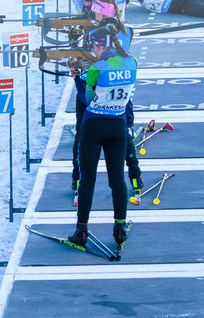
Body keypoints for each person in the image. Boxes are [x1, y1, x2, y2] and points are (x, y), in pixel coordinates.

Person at [68, 27, 137, 250]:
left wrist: (77, 77)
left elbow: (87, 99)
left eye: (93, 47)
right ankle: (119, 229)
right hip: (118, 125)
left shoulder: (97, 68)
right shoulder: (132, 62)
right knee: (117, 178)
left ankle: (81, 230)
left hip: (93, 126)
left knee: (88, 180)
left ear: (100, 46)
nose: (93, 51)